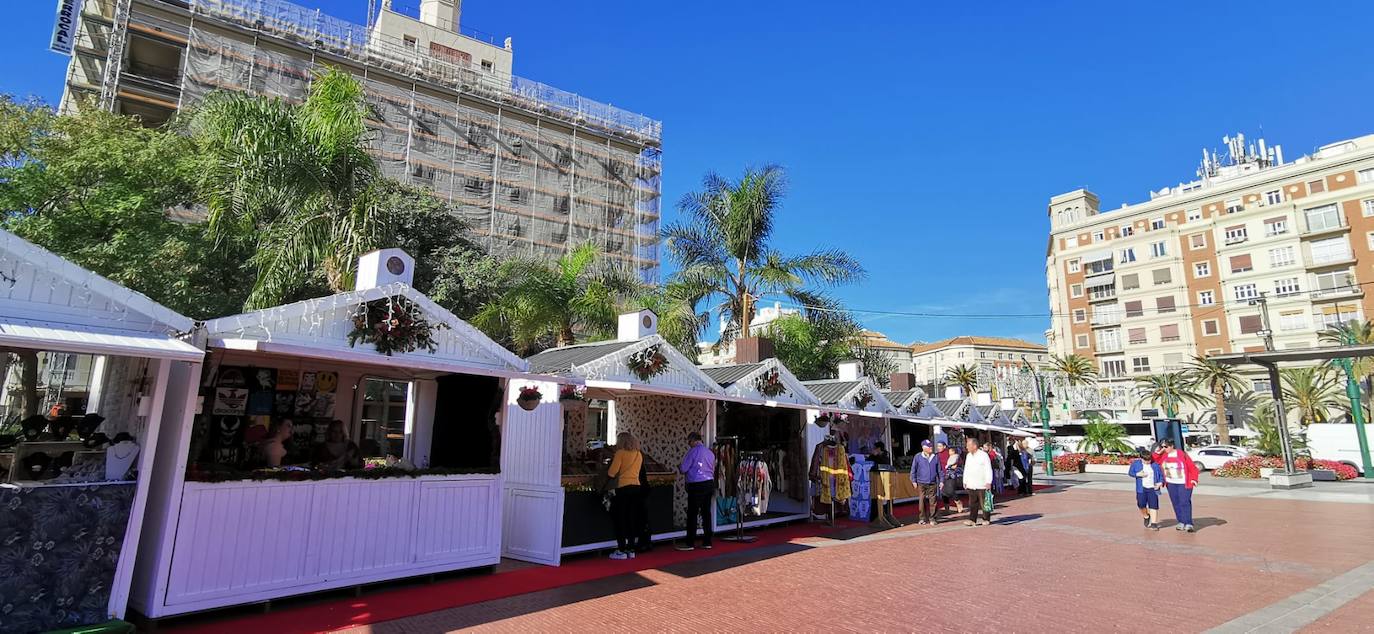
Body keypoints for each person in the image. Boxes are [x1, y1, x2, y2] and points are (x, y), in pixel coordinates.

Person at [606, 431, 645, 559]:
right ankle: (631, 549)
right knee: (631, 518)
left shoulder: (620, 453)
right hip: (636, 487)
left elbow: (612, 472)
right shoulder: (639, 454)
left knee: (620, 519)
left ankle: (621, 549)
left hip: (623, 487)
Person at [677, 432, 716, 551]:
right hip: (709, 483)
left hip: (696, 484)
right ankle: (707, 541)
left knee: (692, 513)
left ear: (693, 440)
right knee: (706, 513)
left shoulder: (692, 452)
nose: (688, 444)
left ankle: (690, 542)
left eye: (689, 442)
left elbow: (684, 469)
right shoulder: (710, 452)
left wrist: (679, 466)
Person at [1156, 439, 1200, 532]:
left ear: (1172, 446)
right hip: (1171, 483)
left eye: (1166, 446)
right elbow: (1153, 459)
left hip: (1183, 483)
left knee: (1184, 502)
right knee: (1176, 503)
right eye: (1162, 447)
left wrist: (1194, 479)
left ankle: (1188, 523)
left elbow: (1192, 467)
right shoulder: (1163, 455)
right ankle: (1181, 521)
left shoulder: (1181, 454)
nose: (1164, 449)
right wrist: (1159, 452)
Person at [1128, 447, 1164, 531]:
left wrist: (1160, 483)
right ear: (1141, 459)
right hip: (1141, 488)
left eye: (1149, 460)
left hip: (1152, 488)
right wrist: (1138, 474)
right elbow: (1130, 473)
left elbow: (1161, 475)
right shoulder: (1136, 464)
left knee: (1153, 505)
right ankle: (1146, 516)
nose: (1148, 462)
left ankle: (1154, 523)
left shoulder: (1155, 465)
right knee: (1141, 504)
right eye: (1146, 460)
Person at [962, 437, 994, 526]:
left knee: (984, 503)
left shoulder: (983, 455)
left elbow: (988, 469)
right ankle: (972, 520)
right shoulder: (968, 456)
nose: (967, 447)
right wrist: (965, 481)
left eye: (968, 445)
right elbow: (966, 469)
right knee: (972, 503)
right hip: (971, 483)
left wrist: (988, 481)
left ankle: (986, 518)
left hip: (982, 483)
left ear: (974, 446)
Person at [909, 439, 942, 525]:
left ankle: (932, 518)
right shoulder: (918, 457)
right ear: (924, 447)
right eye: (929, 446)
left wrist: (941, 480)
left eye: (931, 446)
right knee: (922, 499)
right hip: (921, 482)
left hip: (932, 482)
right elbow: (913, 469)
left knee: (933, 500)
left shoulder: (935, 457)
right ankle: (922, 518)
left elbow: (940, 470)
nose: (931, 447)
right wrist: (913, 480)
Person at [939, 441, 964, 516]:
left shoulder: (951, 454)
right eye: (937, 446)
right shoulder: (937, 455)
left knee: (950, 490)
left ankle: (958, 501)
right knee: (943, 492)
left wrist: (956, 465)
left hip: (951, 474)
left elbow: (959, 462)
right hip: (942, 475)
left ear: (944, 446)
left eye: (940, 446)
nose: (938, 448)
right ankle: (947, 508)